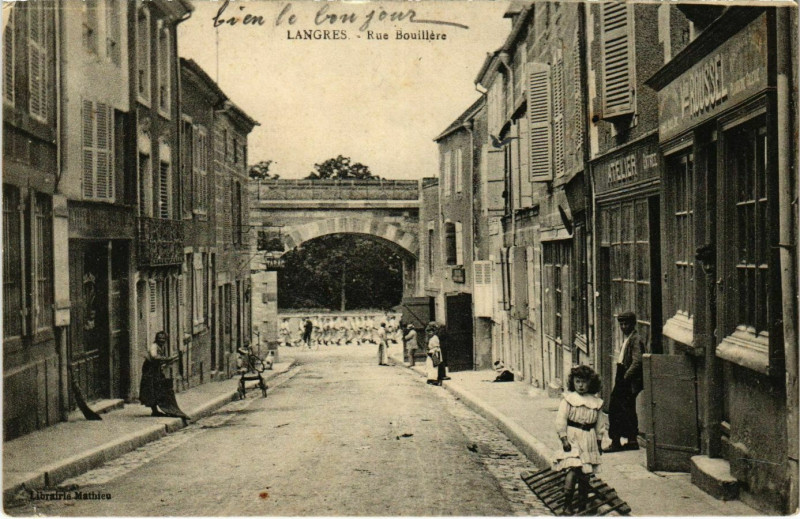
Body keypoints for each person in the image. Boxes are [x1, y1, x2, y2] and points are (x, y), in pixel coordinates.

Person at [552, 365, 607, 515]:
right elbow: (561, 420)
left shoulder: (596, 402)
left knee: (585, 472)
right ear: (573, 383)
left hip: (588, 438)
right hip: (573, 436)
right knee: (574, 468)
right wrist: (563, 438)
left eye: (584, 382)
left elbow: (600, 424)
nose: (581, 385)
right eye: (577, 382)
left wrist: (599, 441)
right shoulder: (569, 400)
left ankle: (582, 505)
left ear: (591, 383)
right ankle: (567, 504)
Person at [605, 311, 646, 452]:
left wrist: (625, 377)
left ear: (632, 324)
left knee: (615, 409)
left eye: (626, 323)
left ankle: (617, 442)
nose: (623, 327)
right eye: (621, 324)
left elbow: (638, 361)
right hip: (623, 376)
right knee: (627, 409)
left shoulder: (635, 339)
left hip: (626, 379)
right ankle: (631, 440)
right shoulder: (629, 338)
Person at [139, 331, 189, 421]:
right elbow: (154, 356)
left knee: (156, 388)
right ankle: (154, 411)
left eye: (163, 339)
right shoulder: (154, 346)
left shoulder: (161, 347)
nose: (161, 340)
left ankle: (157, 410)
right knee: (151, 389)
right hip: (150, 371)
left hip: (155, 370)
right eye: (159, 338)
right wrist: (166, 359)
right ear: (156, 339)